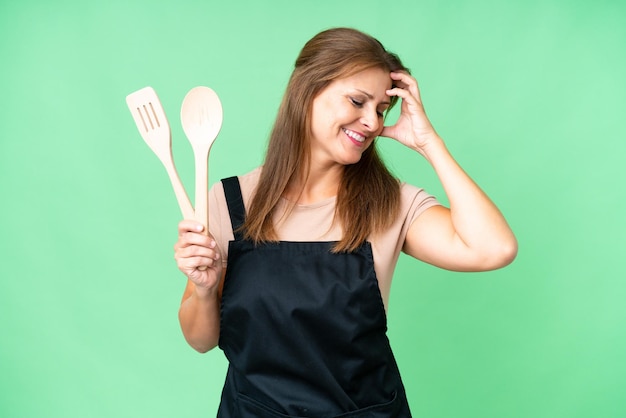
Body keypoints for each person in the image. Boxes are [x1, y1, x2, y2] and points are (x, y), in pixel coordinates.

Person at [173, 27, 517, 417]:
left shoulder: (390, 203)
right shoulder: (230, 202)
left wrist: (428, 143)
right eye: (357, 101)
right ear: (307, 91)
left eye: (381, 110)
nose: (371, 121)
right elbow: (200, 340)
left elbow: (495, 248)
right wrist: (203, 290)